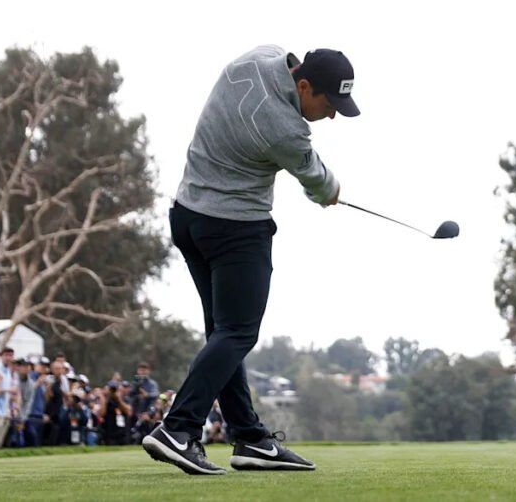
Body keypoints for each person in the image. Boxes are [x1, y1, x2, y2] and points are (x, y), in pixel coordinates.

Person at [142, 46, 358, 475]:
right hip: (234, 230)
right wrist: (331, 191)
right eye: (328, 104)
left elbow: (281, 52)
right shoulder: (285, 131)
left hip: (187, 216)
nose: (331, 115)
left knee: (225, 334)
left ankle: (250, 439)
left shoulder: (254, 60)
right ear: (303, 85)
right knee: (239, 332)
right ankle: (179, 428)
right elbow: (316, 180)